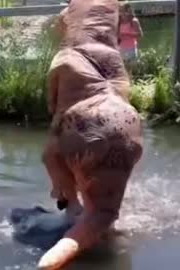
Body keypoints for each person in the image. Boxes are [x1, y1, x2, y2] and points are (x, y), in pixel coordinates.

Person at [38, 0, 143, 269]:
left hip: (82, 125)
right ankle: (94, 214)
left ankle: (71, 217)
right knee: (105, 210)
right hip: (129, 123)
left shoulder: (64, 59)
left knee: (51, 153)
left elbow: (56, 113)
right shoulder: (114, 59)